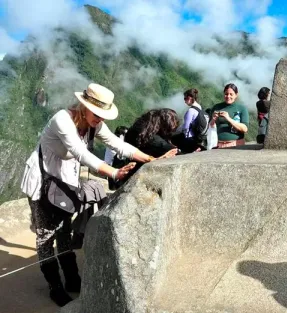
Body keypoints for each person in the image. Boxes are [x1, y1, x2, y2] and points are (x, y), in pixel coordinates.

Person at [20, 83, 175, 307]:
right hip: (42, 181)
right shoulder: (62, 120)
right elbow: (80, 153)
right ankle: (55, 286)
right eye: (97, 114)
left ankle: (72, 278)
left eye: (103, 115)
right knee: (46, 236)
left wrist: (152, 160)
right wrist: (114, 172)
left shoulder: (95, 125)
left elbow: (118, 145)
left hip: (65, 182)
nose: (100, 119)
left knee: (63, 231)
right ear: (84, 107)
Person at [113, 108, 180, 188]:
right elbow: (170, 150)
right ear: (165, 126)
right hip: (134, 180)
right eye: (170, 130)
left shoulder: (143, 126)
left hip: (127, 172)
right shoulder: (153, 140)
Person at [209, 83, 249, 148]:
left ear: (236, 95)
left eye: (231, 94)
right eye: (226, 94)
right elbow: (210, 126)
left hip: (236, 144)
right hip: (218, 145)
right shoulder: (216, 107)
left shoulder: (242, 108)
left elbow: (245, 129)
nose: (228, 96)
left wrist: (228, 118)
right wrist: (213, 119)